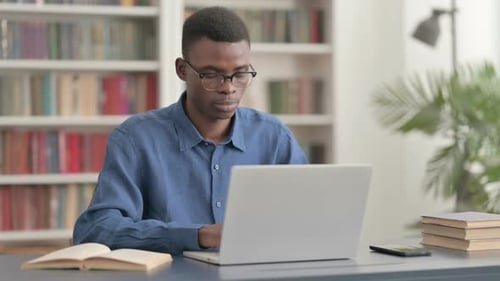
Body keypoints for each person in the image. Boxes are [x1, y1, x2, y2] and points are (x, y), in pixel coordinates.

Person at [73, 6, 308, 255]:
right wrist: (199, 235)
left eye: (240, 74)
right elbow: (96, 230)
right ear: (182, 70)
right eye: (212, 75)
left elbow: (309, 217)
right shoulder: (135, 139)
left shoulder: (274, 137)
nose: (229, 88)